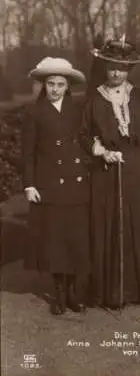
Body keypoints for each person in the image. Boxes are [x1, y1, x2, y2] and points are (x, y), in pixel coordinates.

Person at [79, 39, 140, 309]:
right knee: (111, 224)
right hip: (108, 169)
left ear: (130, 69)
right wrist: (101, 151)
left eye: (122, 68)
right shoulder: (94, 100)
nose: (116, 73)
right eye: (112, 68)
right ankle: (114, 293)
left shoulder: (139, 97)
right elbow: (83, 135)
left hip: (138, 167)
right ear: (105, 68)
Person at [22, 57, 91, 315]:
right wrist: (29, 183)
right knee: (56, 241)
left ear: (68, 86)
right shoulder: (33, 112)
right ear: (44, 84)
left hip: (76, 182)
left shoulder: (78, 109)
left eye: (60, 84)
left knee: (75, 240)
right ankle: (60, 291)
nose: (55, 89)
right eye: (50, 84)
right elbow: (27, 152)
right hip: (50, 184)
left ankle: (73, 291)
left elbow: (86, 140)